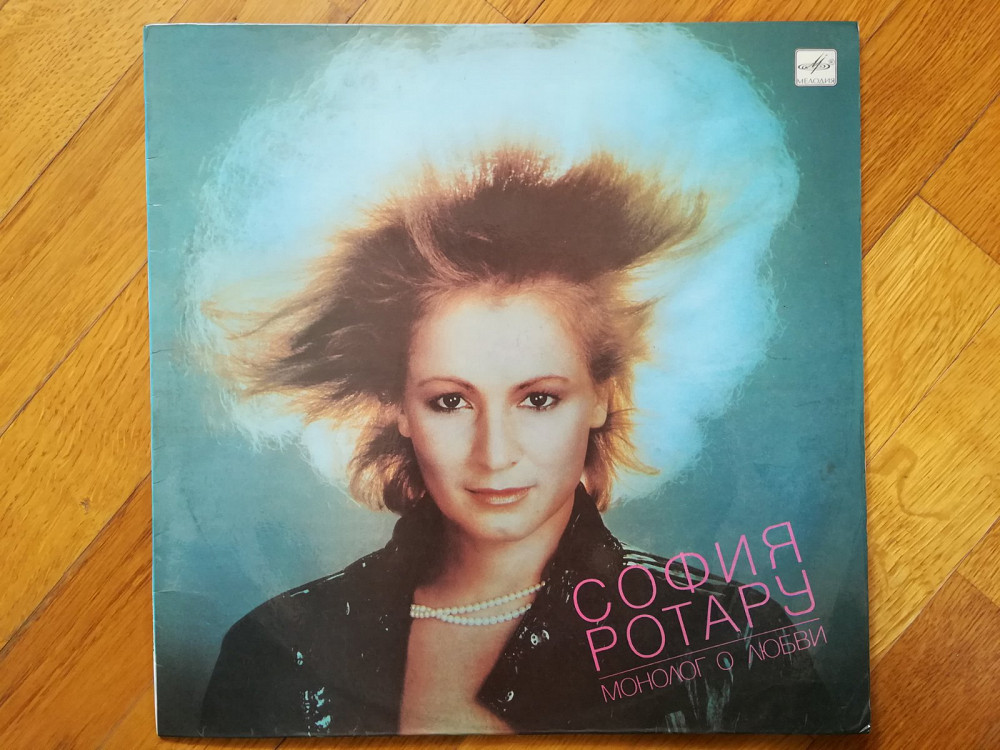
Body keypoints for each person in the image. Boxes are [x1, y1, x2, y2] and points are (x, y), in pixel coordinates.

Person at [198, 149, 828, 737]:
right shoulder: (275, 649)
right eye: (451, 401)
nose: (495, 454)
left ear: (602, 396)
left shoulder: (733, 639)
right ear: (398, 407)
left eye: (538, 399)